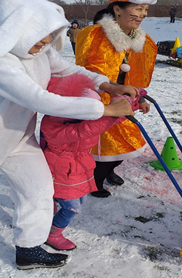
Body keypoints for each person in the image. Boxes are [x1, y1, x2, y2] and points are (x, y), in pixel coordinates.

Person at [0, 0, 136, 270]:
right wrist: (105, 109)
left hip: (17, 135)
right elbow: (40, 99)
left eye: (48, 40)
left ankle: (29, 249)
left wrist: (106, 84)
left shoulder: (38, 51)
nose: (44, 45)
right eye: (39, 40)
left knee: (39, 190)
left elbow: (68, 69)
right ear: (17, 31)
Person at [75, 0, 158, 198]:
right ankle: (95, 181)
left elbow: (135, 77)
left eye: (145, 10)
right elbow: (86, 72)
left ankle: (107, 171)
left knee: (128, 143)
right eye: (138, 9)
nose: (143, 14)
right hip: (101, 101)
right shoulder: (94, 36)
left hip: (124, 102)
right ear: (118, 9)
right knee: (105, 147)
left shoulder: (140, 41)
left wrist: (141, 99)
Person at [40, 74, 130, 250]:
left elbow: (104, 120)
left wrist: (131, 102)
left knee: (80, 201)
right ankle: (52, 234)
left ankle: (49, 209)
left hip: (80, 165)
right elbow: (85, 130)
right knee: (72, 208)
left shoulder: (86, 118)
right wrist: (113, 112)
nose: (94, 116)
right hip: (62, 168)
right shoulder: (53, 125)